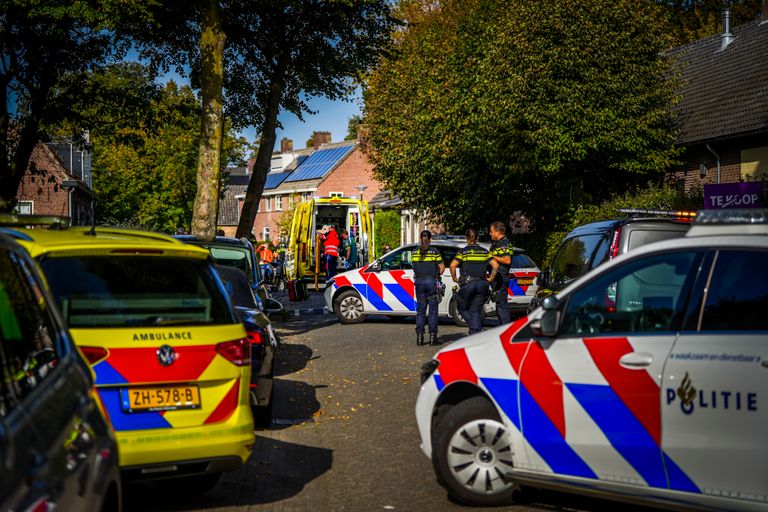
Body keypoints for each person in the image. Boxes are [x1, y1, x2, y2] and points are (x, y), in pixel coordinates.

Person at [450, 228, 494, 335]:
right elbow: (495, 265)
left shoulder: (463, 252)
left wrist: (455, 278)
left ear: (466, 239)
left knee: (461, 307)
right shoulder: (484, 251)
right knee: (476, 310)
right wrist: (491, 278)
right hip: (482, 284)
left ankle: (475, 329)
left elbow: (452, 265)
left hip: (468, 284)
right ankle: (475, 331)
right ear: (477, 238)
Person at [411, 230, 445, 346]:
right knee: (433, 311)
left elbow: (414, 267)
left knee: (420, 311)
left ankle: (419, 338)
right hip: (431, 282)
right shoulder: (435, 252)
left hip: (419, 282)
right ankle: (432, 337)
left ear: (420, 239)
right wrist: (437, 275)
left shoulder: (414, 252)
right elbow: (442, 267)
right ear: (430, 240)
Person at [488, 220, 512, 325]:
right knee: (499, 308)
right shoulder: (496, 243)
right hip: (496, 280)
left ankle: (506, 331)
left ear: (498, 232)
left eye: (491, 231)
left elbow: (507, 260)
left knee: (502, 307)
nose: (490, 233)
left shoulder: (505, 243)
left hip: (501, 279)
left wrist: (491, 256)